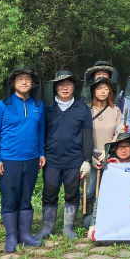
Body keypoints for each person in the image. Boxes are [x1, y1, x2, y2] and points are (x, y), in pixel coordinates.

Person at [0, 66, 45, 252]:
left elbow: (40, 131)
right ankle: (12, 237)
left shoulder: (38, 105)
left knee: (26, 198)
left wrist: (40, 153)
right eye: (20, 79)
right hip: (9, 160)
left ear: (32, 83)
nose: (24, 82)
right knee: (10, 198)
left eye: (27, 79)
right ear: (12, 83)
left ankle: (26, 235)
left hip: (31, 159)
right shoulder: (2, 105)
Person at [37, 71, 93, 241]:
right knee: (49, 192)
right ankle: (47, 228)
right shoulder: (47, 109)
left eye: (68, 84)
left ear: (74, 87)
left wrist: (87, 160)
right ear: (55, 87)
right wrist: (40, 154)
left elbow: (88, 137)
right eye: (61, 85)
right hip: (51, 160)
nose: (65, 88)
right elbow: (40, 134)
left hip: (74, 160)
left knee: (72, 193)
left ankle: (68, 228)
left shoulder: (82, 109)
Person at [87, 133, 130, 241]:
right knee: (87, 221)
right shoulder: (110, 169)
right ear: (115, 150)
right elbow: (101, 198)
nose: (123, 150)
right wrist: (93, 224)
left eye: (126, 147)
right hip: (113, 211)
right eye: (120, 147)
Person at [82, 76, 122, 228]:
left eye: (106, 88)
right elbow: (83, 133)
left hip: (109, 155)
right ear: (94, 91)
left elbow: (118, 133)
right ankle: (88, 219)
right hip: (91, 154)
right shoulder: (87, 110)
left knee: (109, 188)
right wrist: (91, 154)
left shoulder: (115, 110)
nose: (103, 91)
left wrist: (108, 150)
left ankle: (108, 218)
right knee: (90, 189)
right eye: (99, 88)